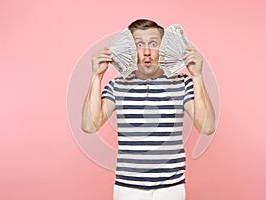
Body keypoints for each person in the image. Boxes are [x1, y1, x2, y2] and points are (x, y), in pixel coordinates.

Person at [81, 19, 215, 200]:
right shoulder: (117, 85)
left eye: (153, 44)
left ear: (164, 48)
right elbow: (89, 125)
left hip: (172, 187)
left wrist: (197, 76)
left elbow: (207, 127)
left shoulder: (183, 84)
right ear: (129, 49)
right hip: (127, 188)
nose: (146, 51)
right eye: (139, 45)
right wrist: (96, 76)